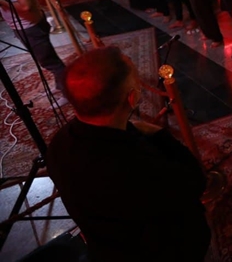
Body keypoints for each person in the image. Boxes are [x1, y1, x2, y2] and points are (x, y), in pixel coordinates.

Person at [46, 47, 210, 262]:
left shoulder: (58, 143)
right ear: (132, 98)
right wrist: (160, 135)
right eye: (137, 81)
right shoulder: (137, 167)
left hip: (105, 248)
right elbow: (195, 182)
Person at [0, 0, 66, 97]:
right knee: (47, 61)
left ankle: (69, 92)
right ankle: (62, 85)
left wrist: (1, 0)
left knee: (51, 62)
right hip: (22, 26)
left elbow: (25, 7)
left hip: (30, 27)